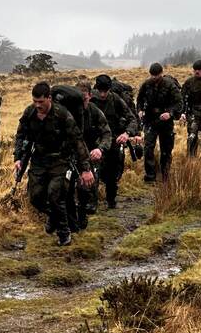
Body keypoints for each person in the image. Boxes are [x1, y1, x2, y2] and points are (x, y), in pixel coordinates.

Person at [14, 82, 94, 246]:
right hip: (39, 160)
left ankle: (64, 233)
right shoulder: (30, 113)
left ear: (49, 98)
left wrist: (85, 169)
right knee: (35, 197)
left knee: (55, 194)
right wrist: (18, 158)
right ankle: (54, 216)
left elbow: (77, 141)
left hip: (60, 161)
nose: (38, 105)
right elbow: (21, 135)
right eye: (35, 101)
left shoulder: (62, 114)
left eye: (41, 102)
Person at [89, 75, 138, 209]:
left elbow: (132, 119)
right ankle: (91, 203)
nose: (103, 94)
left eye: (106, 91)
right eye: (101, 91)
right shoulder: (90, 100)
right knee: (93, 170)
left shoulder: (116, 99)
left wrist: (126, 133)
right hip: (94, 140)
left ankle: (110, 199)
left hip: (113, 140)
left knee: (112, 172)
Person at [73, 81, 112, 229]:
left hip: (91, 152)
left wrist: (100, 149)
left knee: (88, 187)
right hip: (72, 153)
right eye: (79, 99)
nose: (82, 102)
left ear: (90, 96)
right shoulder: (68, 112)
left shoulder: (94, 111)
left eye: (85, 98)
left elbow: (107, 133)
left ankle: (85, 210)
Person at [136, 63, 183, 182]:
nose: (154, 78)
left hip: (165, 121)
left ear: (161, 73)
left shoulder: (170, 85)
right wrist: (140, 110)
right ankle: (150, 175)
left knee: (166, 149)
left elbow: (179, 103)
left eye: (156, 75)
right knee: (148, 147)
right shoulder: (146, 84)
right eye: (152, 75)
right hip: (150, 120)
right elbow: (139, 99)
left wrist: (170, 113)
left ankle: (165, 174)